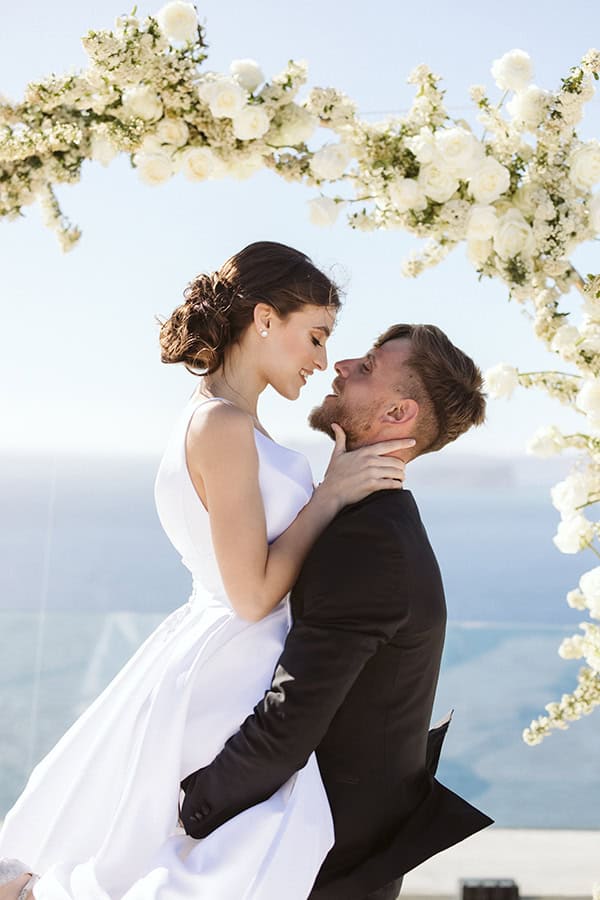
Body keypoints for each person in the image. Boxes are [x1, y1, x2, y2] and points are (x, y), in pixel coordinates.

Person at [0, 241, 414, 900]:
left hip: (232, 655)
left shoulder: (237, 425)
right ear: (264, 319)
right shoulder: (220, 425)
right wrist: (331, 494)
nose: (319, 359)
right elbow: (250, 594)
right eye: (314, 335)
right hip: (233, 659)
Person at [179, 323, 494, 899]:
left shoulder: (368, 540)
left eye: (368, 366)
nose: (340, 364)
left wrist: (188, 813)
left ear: (398, 414)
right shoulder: (372, 520)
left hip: (324, 866)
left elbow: (292, 717)